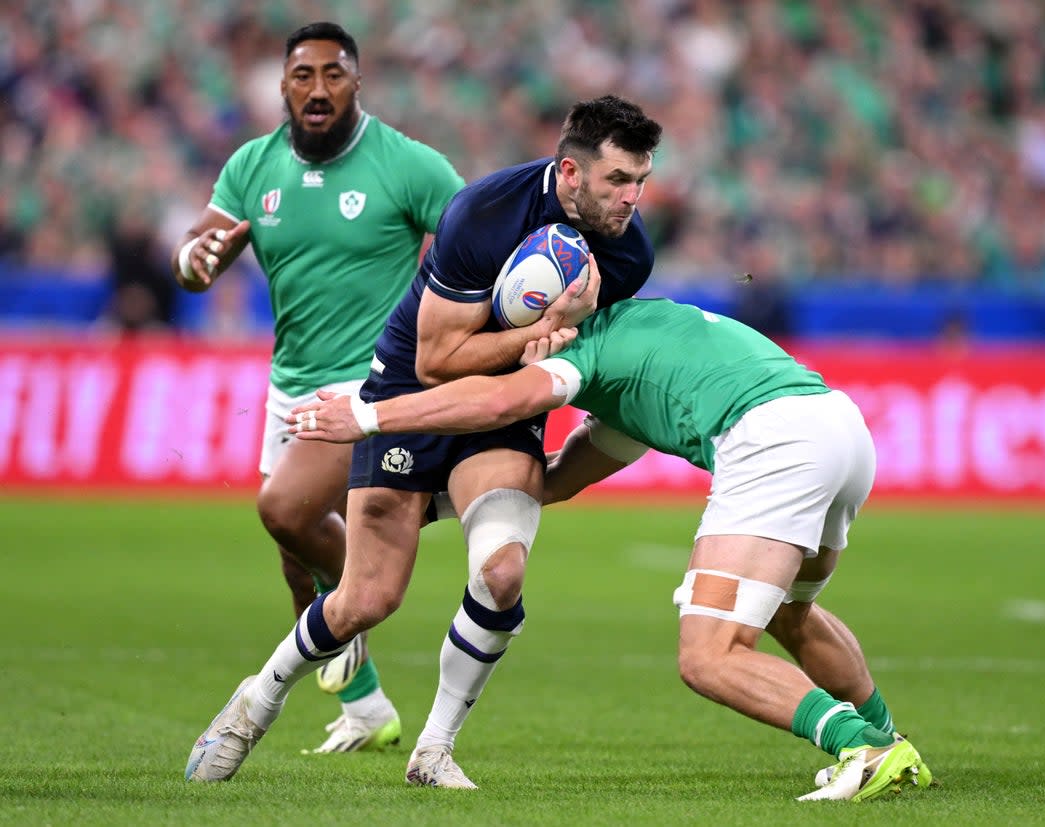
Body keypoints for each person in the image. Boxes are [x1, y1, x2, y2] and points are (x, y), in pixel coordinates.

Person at [184, 94, 663, 785]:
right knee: (364, 600)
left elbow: (559, 356)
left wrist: (557, 351)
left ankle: (434, 748)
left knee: (501, 573)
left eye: (641, 181)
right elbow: (439, 358)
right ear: (569, 173)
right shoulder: (484, 213)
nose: (632, 198)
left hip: (501, 407)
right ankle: (256, 700)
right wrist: (540, 331)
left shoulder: (629, 253)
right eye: (618, 180)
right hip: (412, 388)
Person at [282, 297, 934, 801]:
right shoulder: (639, 347)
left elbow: (502, 399)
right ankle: (887, 736)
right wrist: (430, 506)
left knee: (709, 657)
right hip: (839, 427)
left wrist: (368, 416)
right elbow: (556, 479)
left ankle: (861, 749)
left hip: (774, 441)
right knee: (789, 613)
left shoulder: (584, 348)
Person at [171, 21, 465, 754]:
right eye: (303, 75)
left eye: (334, 74)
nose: (318, 88)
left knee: (284, 507)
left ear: (356, 84)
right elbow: (195, 254)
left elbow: (473, 233)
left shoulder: (405, 164)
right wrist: (194, 261)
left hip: (370, 380)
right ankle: (366, 706)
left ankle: (366, 584)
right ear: (282, 86)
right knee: (293, 553)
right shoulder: (252, 166)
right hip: (289, 381)